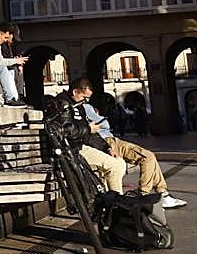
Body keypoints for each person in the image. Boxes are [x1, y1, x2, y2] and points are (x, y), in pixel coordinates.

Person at [67, 79, 187, 210]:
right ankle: (143, 195)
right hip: (105, 141)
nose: (86, 101)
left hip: (108, 141)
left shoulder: (82, 106)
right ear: (75, 92)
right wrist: (97, 126)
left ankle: (162, 193)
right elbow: (99, 126)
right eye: (85, 98)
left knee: (149, 156)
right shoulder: (75, 107)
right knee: (145, 158)